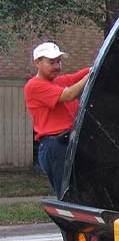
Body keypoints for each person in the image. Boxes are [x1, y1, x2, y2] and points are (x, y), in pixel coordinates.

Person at [24, 42, 91, 197]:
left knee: (83, 192)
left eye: (59, 62)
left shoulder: (59, 81)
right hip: (55, 146)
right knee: (68, 195)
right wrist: (89, 76)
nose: (57, 66)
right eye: (51, 62)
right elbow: (68, 95)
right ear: (37, 63)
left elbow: (88, 71)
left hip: (69, 142)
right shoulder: (34, 86)